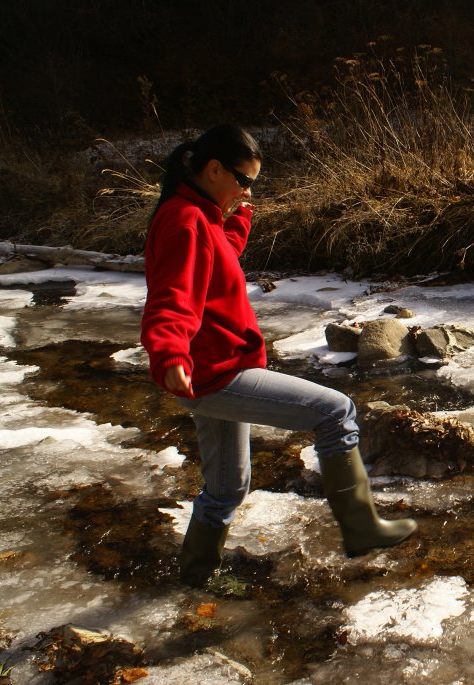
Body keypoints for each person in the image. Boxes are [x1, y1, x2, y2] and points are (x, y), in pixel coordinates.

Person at [141, 124, 416, 587]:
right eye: (243, 181)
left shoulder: (199, 216)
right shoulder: (186, 221)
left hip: (211, 370)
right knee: (336, 412)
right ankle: (361, 527)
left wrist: (238, 221)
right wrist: (169, 351)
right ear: (213, 170)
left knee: (226, 488)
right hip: (216, 372)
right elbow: (173, 295)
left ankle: (194, 578)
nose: (248, 191)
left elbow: (216, 258)